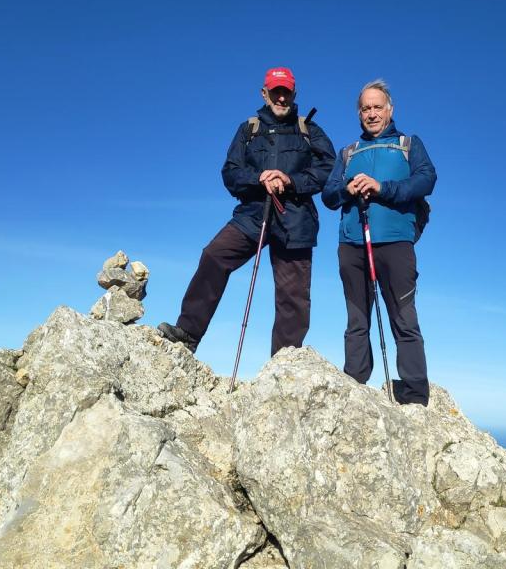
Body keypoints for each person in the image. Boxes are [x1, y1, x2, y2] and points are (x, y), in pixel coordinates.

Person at [158, 67, 335, 356]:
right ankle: (188, 333)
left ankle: (284, 363)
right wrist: (259, 178)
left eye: (286, 92)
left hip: (296, 218)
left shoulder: (309, 130)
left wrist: (290, 180)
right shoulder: (248, 130)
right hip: (253, 213)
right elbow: (230, 172)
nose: (281, 98)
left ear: (294, 94)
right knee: (214, 256)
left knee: (292, 294)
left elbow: (329, 170)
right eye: (275, 92)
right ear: (264, 93)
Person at [321, 79, 437, 405]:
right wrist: (348, 189)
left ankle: (415, 397)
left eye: (377, 107)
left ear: (390, 109)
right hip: (352, 243)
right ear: (359, 114)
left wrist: (382, 188)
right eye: (365, 108)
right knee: (357, 321)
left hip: (396, 242)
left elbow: (426, 179)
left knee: (404, 318)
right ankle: (355, 387)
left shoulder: (408, 144)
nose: (372, 113)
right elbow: (328, 195)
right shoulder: (348, 153)